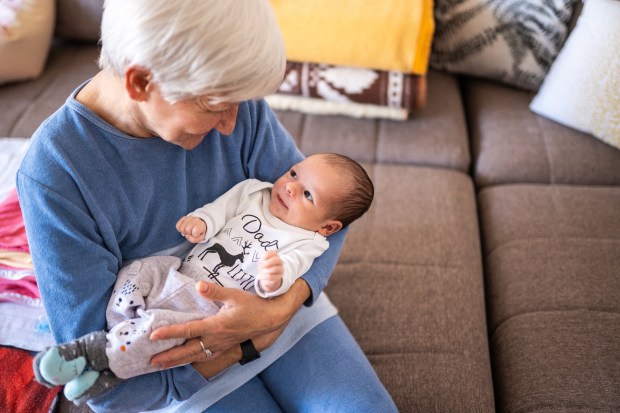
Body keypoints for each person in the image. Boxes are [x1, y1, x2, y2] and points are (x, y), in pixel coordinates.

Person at [17, 0, 398, 411]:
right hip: (176, 367)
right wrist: (243, 343)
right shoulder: (55, 175)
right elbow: (108, 383)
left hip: (284, 315)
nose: (232, 126)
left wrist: (281, 307)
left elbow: (329, 216)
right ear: (141, 83)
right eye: (215, 108)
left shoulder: (232, 98)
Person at [32, 153, 374, 404]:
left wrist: (274, 279)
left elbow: (286, 278)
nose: (290, 188)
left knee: (161, 329)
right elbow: (220, 209)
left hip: (209, 308)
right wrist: (202, 223)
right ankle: (118, 332)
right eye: (294, 173)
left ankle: (93, 355)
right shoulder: (255, 192)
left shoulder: (307, 243)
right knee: (140, 269)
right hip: (179, 274)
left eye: (307, 195)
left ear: (327, 227)